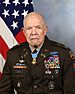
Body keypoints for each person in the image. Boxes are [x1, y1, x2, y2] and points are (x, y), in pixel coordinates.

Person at [0, 12, 75, 94]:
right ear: (24, 32)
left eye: (38, 27)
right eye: (29, 28)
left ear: (45, 30)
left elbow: (70, 91)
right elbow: (4, 91)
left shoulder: (63, 54)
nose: (33, 32)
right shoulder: (13, 55)